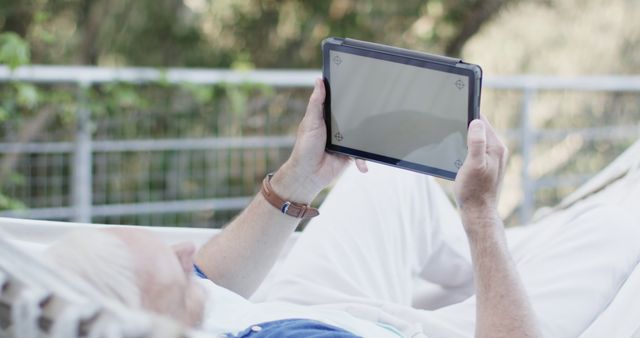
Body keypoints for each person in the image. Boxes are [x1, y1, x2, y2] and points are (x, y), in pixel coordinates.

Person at [44, 79, 638, 338]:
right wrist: (480, 216)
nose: (186, 252)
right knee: (616, 225)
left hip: (293, 309)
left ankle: (487, 266)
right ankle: (497, 269)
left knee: (385, 177)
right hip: (377, 329)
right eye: (172, 272)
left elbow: (206, 279)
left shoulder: (164, 306)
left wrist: (298, 181)